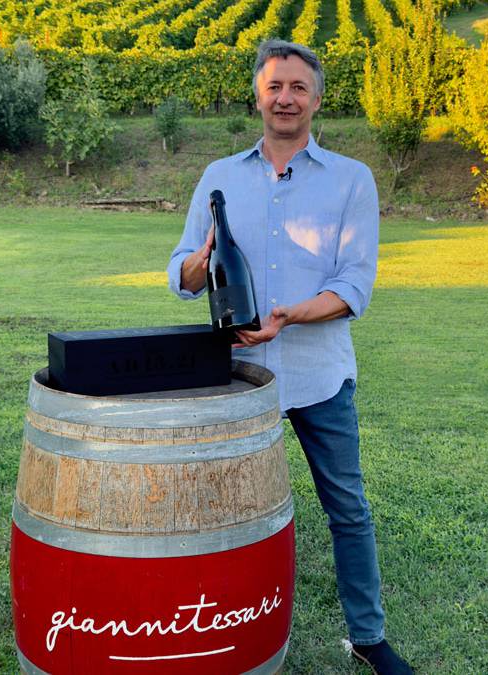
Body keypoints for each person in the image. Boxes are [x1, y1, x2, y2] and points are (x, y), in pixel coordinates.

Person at [166, 40, 414, 675]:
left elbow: (354, 285)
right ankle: (214, 626)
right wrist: (198, 263)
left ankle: (368, 637)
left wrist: (287, 317)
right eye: (275, 86)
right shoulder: (218, 177)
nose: (285, 98)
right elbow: (181, 273)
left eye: (298, 87)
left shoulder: (351, 180)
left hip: (319, 378)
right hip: (236, 381)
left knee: (348, 510)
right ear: (257, 95)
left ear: (317, 99)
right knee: (218, 515)